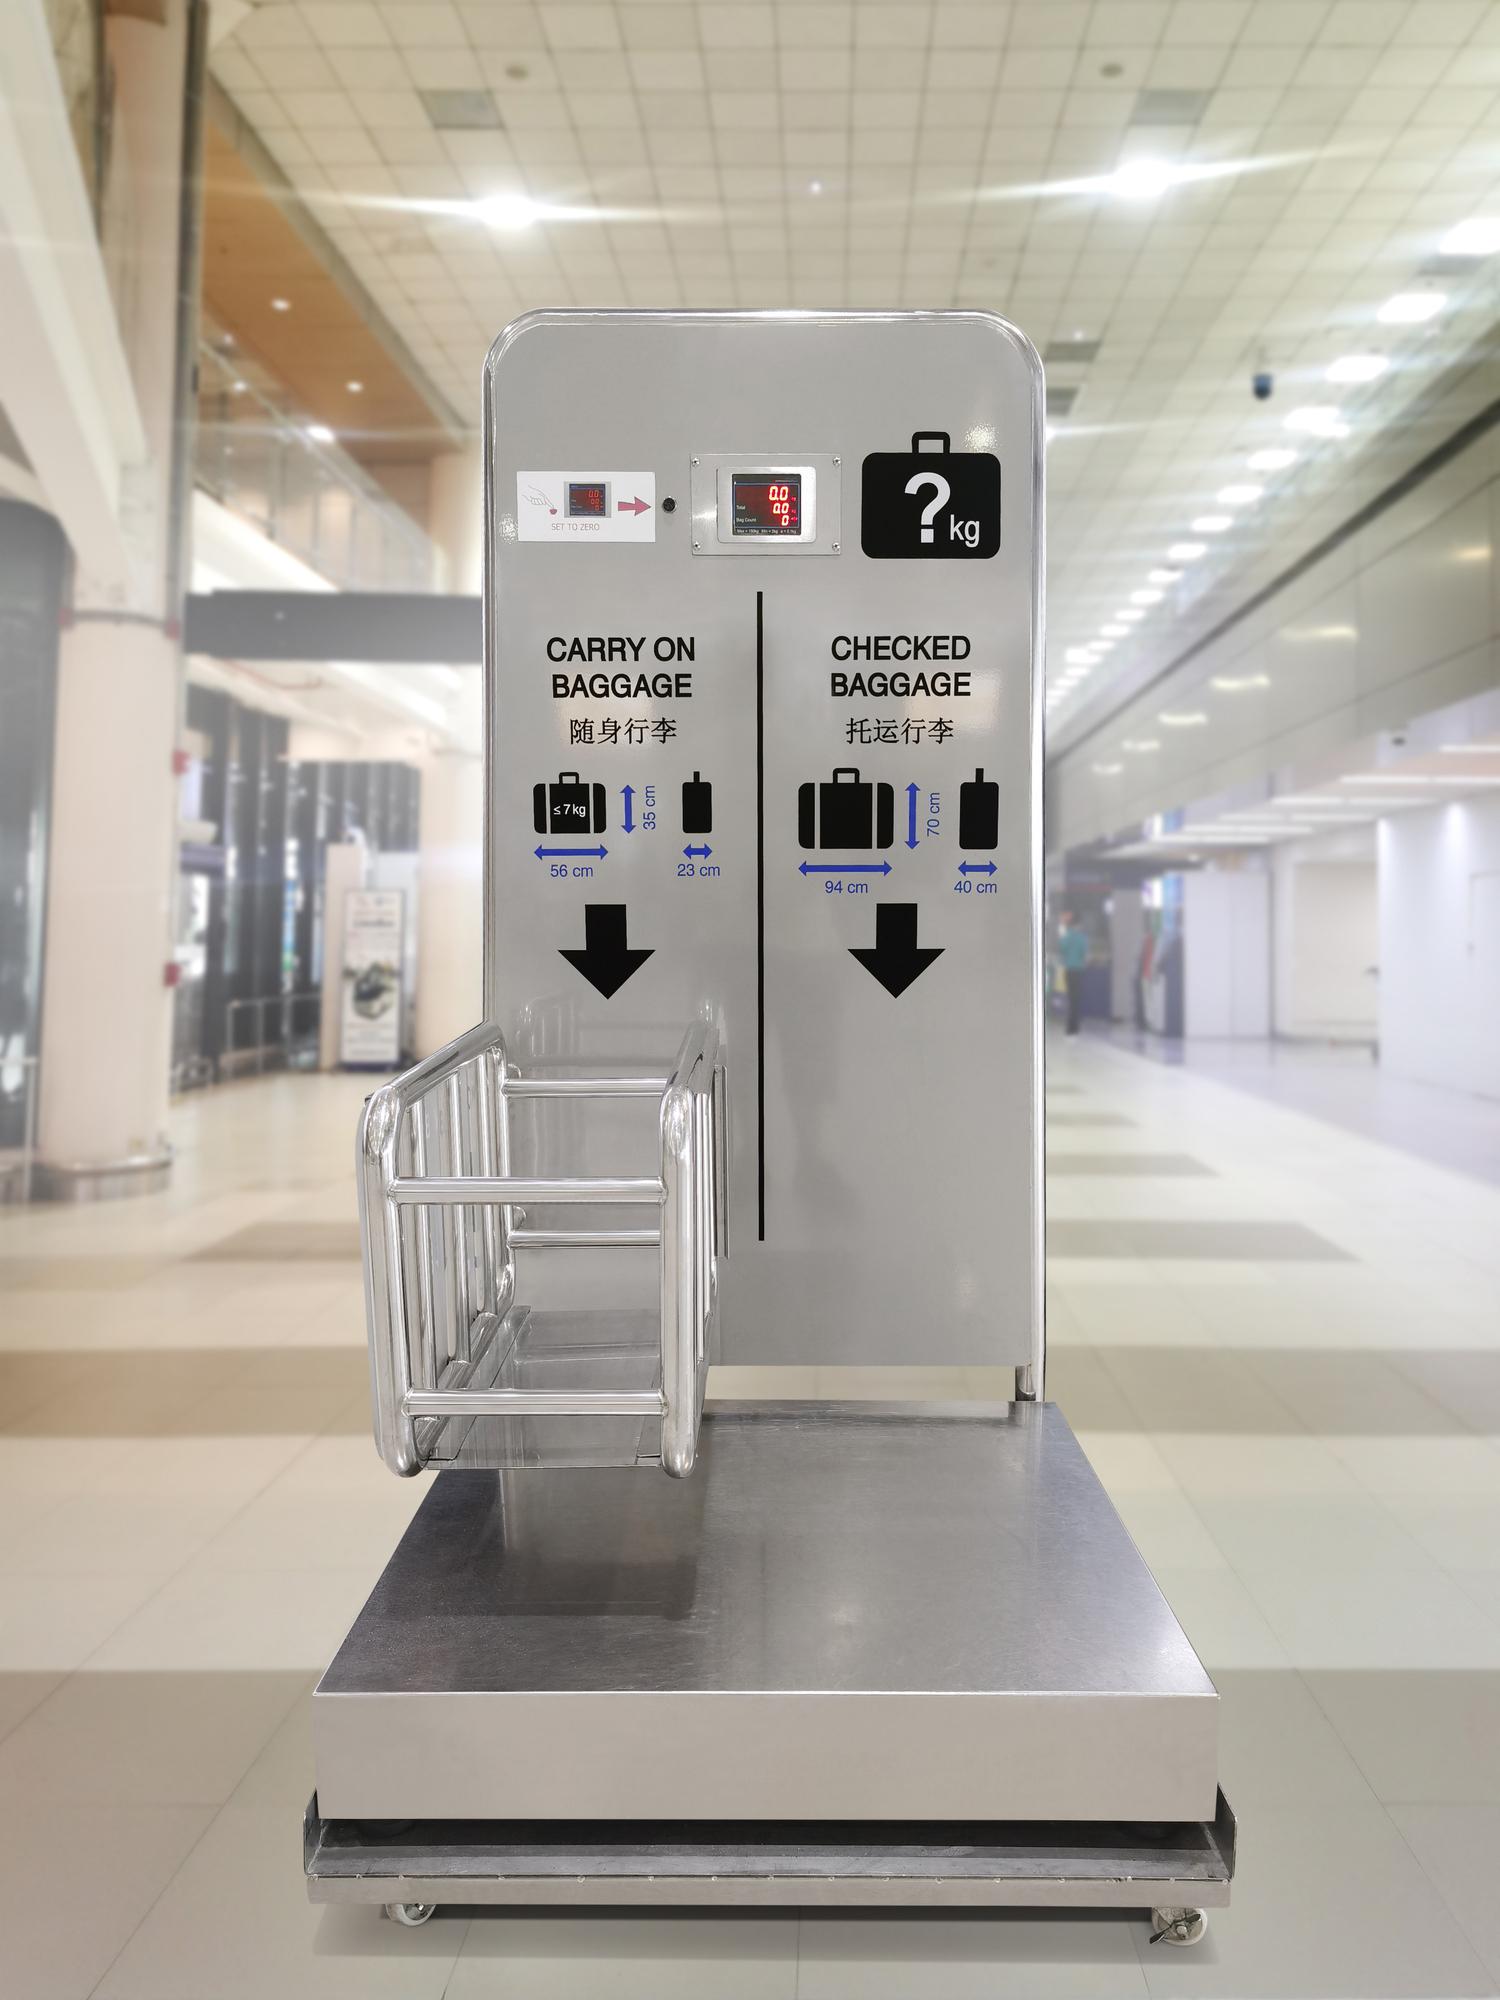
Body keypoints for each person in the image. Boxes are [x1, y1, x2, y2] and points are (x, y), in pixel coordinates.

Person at [1057, 912, 1089, 1037]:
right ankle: (1075, 1026)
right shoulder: (1082, 938)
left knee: (1070, 998)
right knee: (1077, 998)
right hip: (1079, 971)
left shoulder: (1066, 937)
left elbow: (1062, 950)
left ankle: (1069, 1027)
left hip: (1069, 970)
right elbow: (1085, 956)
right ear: (1079, 925)